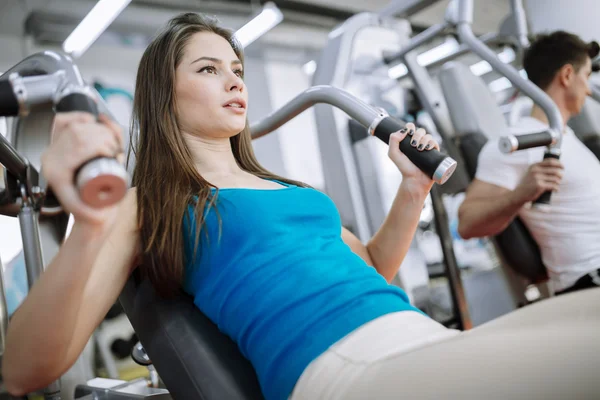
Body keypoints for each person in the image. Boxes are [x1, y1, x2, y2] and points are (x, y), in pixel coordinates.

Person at [2, 14, 599, 400]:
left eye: (237, 69)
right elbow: (25, 370)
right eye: (210, 70)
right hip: (347, 371)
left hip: (420, 338)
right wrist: (91, 224)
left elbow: (374, 272)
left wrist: (412, 191)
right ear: (164, 95)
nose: (235, 81)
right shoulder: (150, 205)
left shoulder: (293, 189)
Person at [458, 31, 600, 295]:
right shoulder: (519, 142)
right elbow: (467, 224)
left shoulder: (567, 137)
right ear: (567, 75)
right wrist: (521, 194)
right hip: (587, 280)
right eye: (587, 76)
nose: (589, 89)